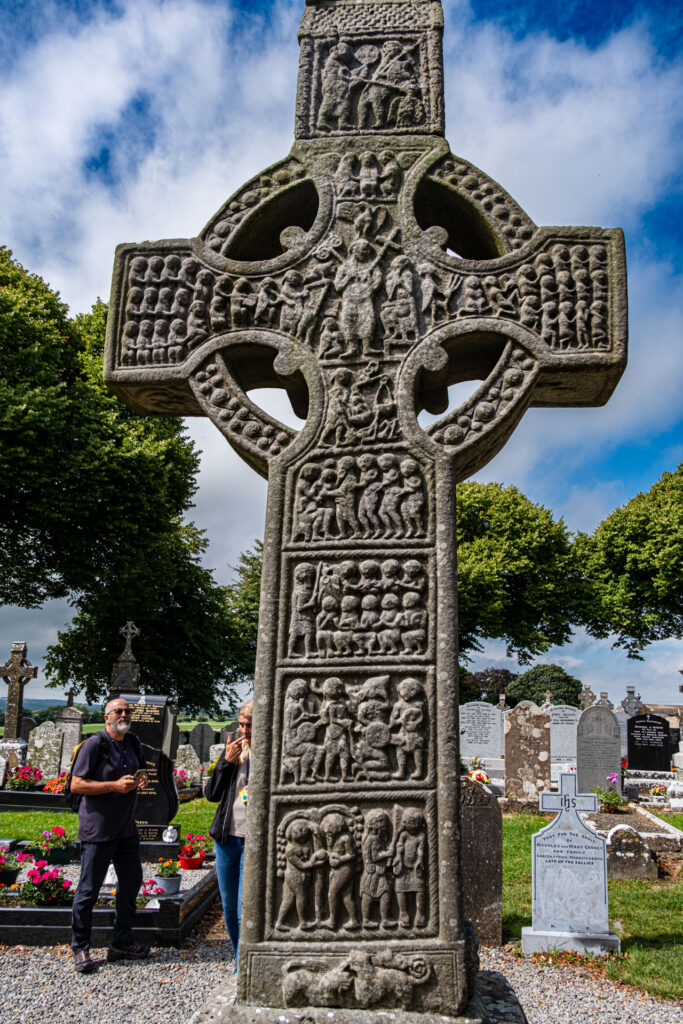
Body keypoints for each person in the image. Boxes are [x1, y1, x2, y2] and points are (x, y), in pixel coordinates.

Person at [69, 697, 149, 973]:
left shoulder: (133, 742)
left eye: (127, 711)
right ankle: (81, 947)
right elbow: (76, 784)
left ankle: (121, 942)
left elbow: (139, 771)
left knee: (131, 884)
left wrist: (141, 779)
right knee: (88, 890)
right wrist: (113, 786)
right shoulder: (94, 744)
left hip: (126, 829)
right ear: (106, 717)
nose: (123, 715)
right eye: (118, 711)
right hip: (98, 829)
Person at [205, 700, 252, 971]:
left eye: (250, 726)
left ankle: (245, 965)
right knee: (230, 907)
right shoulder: (234, 753)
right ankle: (238, 960)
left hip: (250, 838)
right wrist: (225, 762)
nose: (244, 731)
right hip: (226, 836)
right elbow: (212, 794)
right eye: (242, 725)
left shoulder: (266, 753)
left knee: (244, 906)